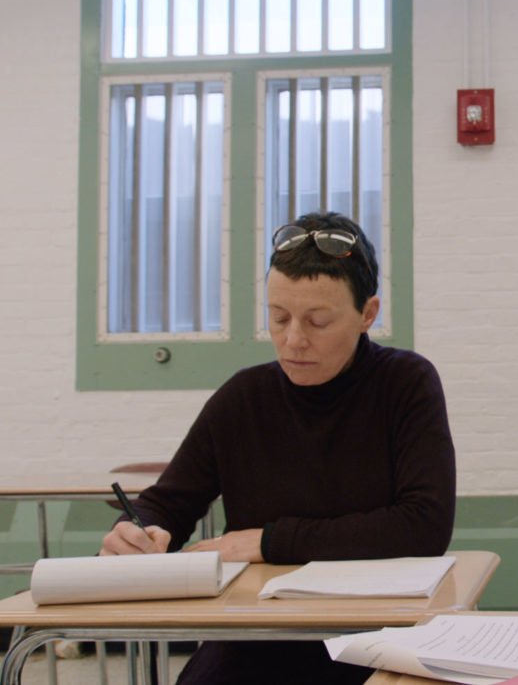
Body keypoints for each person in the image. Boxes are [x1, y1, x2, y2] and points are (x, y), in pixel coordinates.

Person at [100, 212, 457, 685]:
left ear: (368, 314)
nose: (293, 340)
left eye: (318, 321)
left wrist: (267, 541)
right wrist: (137, 528)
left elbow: (423, 525)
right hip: (255, 633)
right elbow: (169, 502)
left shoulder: (405, 384)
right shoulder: (244, 397)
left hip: (377, 631)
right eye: (279, 317)